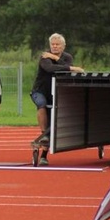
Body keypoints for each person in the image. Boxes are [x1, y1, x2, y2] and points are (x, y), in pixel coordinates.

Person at [30, 33, 84, 165]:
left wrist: (56, 58)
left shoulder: (67, 57)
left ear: (63, 46)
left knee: (53, 120)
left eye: (57, 44)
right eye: (52, 44)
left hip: (56, 92)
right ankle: (44, 134)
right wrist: (71, 67)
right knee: (41, 104)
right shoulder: (44, 56)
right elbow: (50, 68)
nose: (54, 46)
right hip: (40, 91)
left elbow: (66, 70)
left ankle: (44, 156)